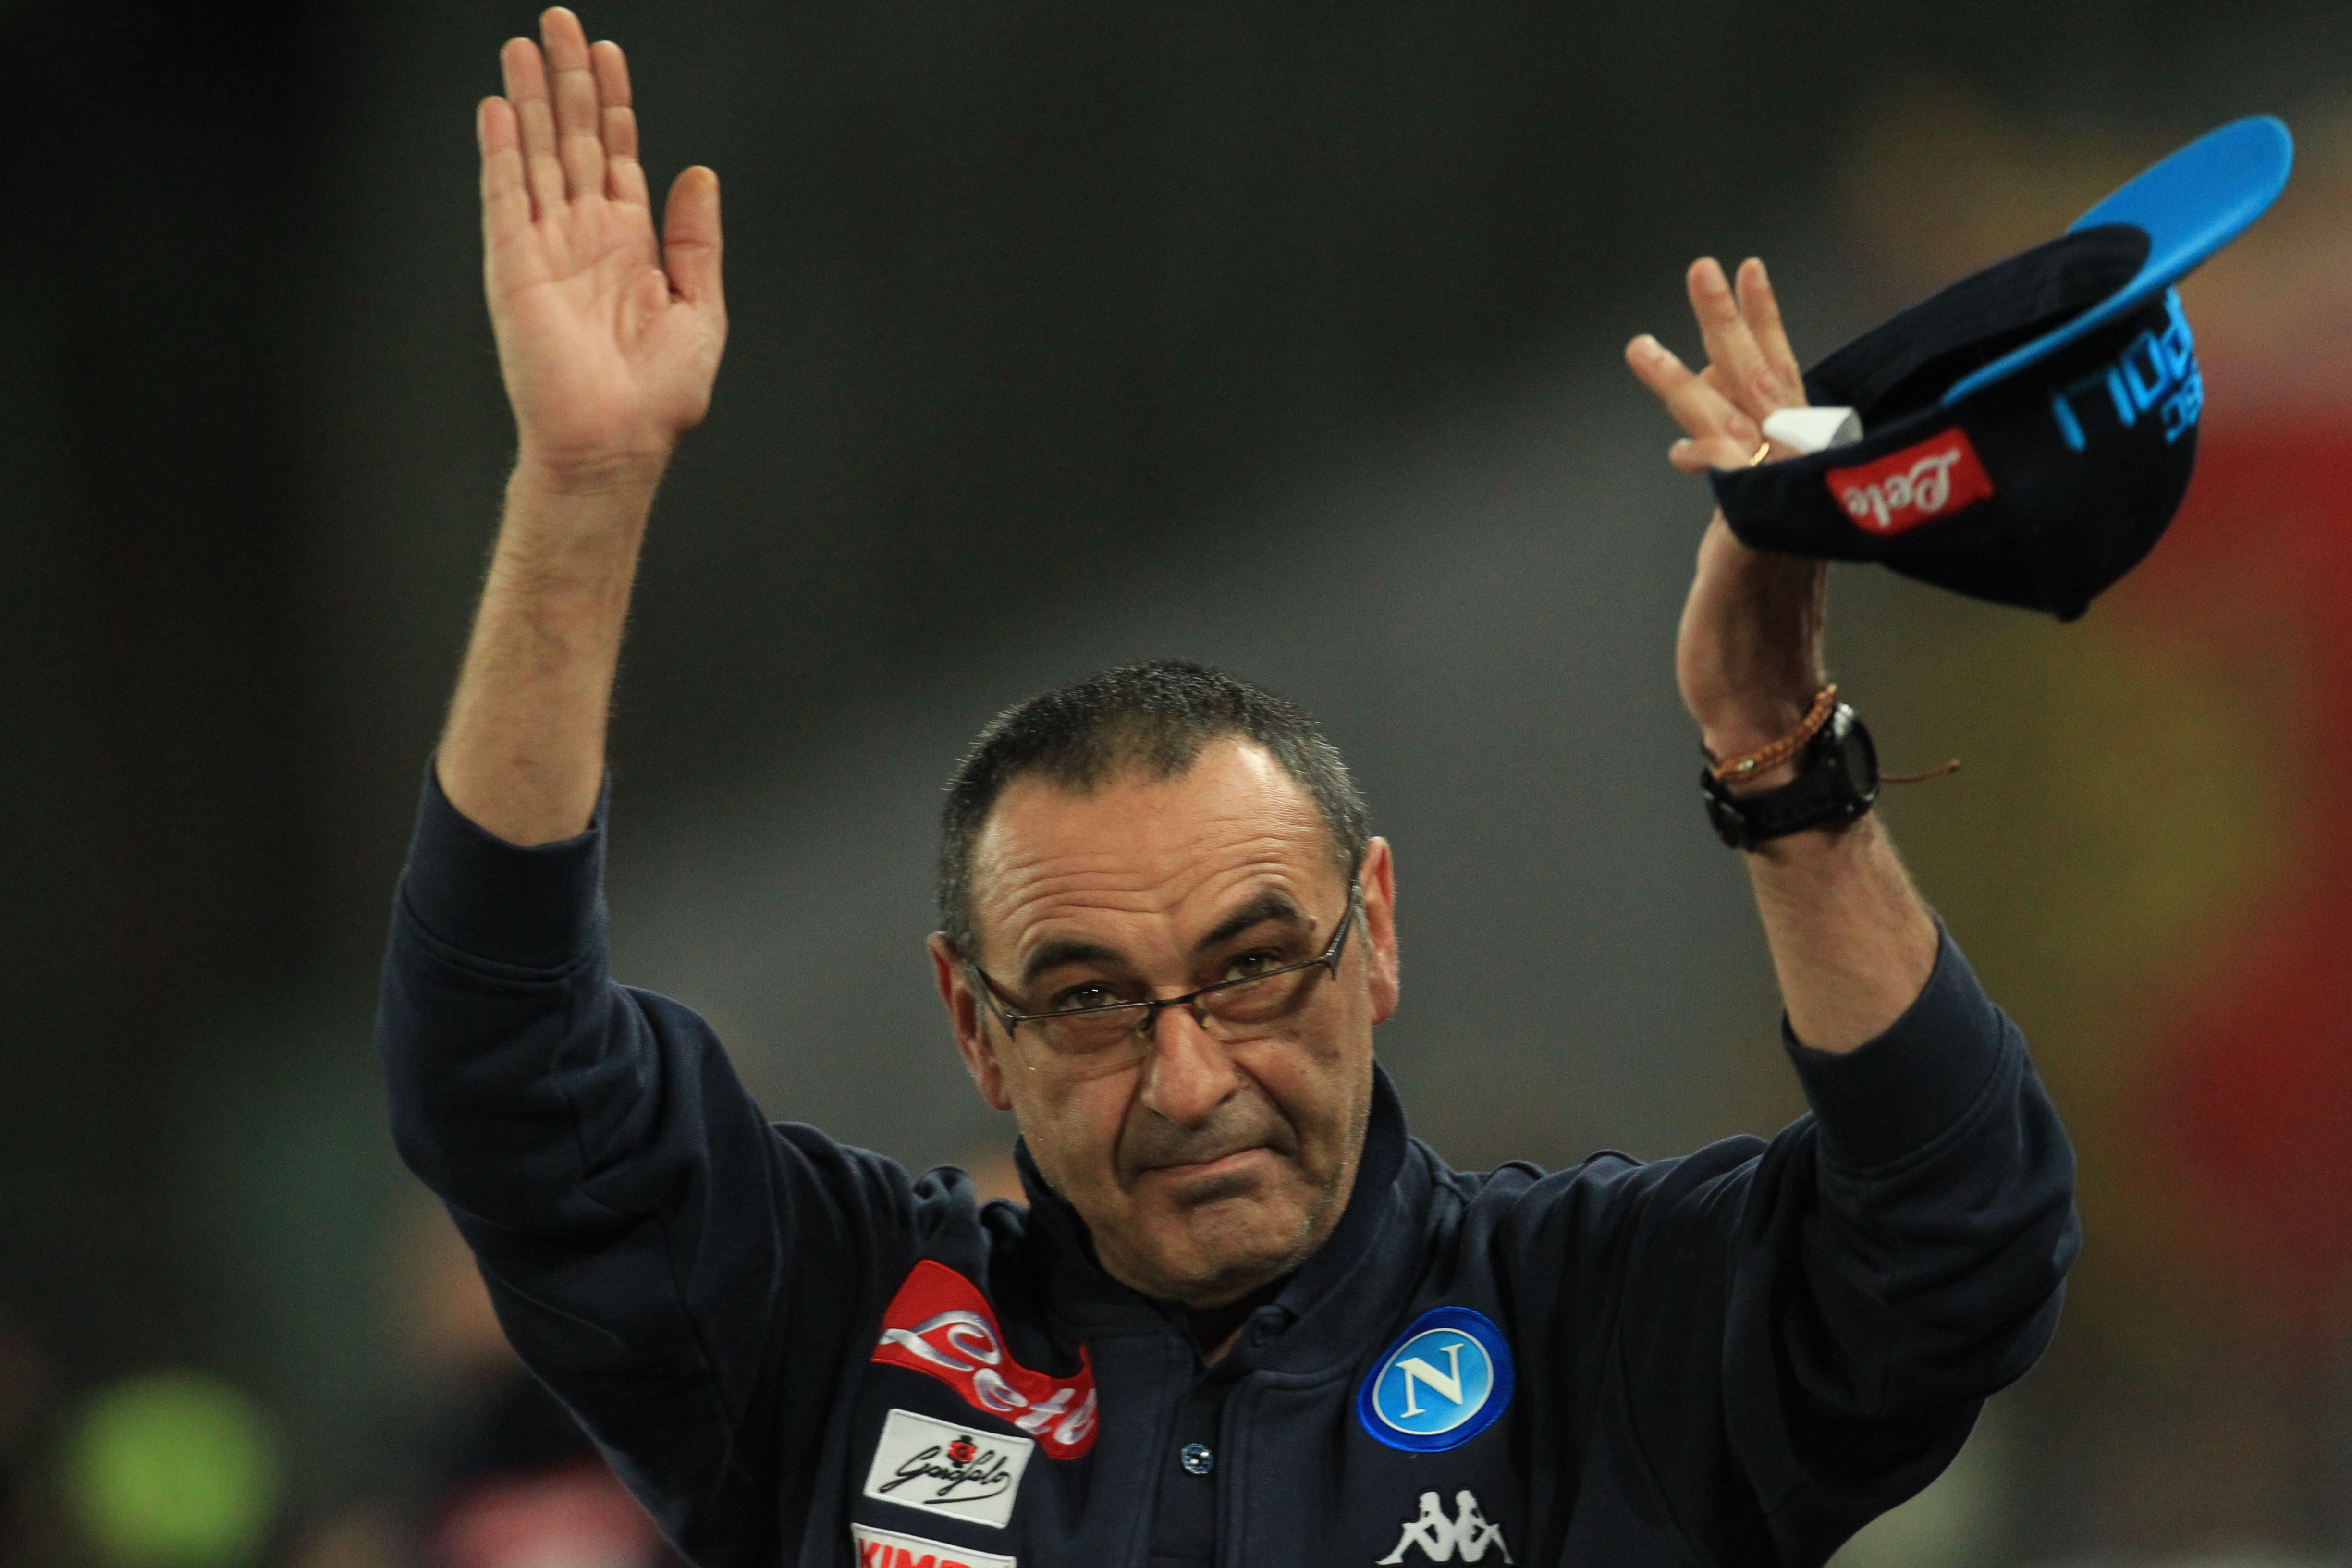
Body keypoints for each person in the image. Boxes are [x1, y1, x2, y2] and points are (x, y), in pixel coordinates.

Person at [377, 9, 2078, 1567]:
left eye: (1257, 964)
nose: (1190, 1079)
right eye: (1093, 1000)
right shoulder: (836, 1328)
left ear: (1379, 933)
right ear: (974, 1031)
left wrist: (1782, 763)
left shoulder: (1604, 1319)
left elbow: (1964, 1237)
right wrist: (584, 490)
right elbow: (502, 1076)